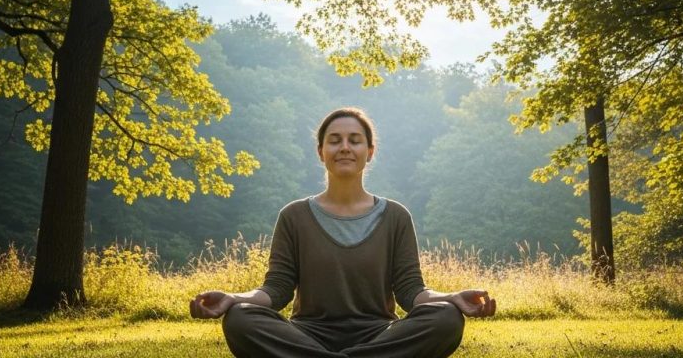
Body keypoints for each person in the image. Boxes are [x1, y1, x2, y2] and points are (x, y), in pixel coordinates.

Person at [190, 107, 496, 357]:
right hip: (307, 336)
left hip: (379, 335)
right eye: (335, 140)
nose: (345, 147)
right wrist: (232, 298)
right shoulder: (294, 216)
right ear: (321, 151)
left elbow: (411, 292)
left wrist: (452, 297)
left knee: (445, 317)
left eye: (355, 140)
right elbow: (276, 290)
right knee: (241, 318)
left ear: (370, 151)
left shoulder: (396, 216)